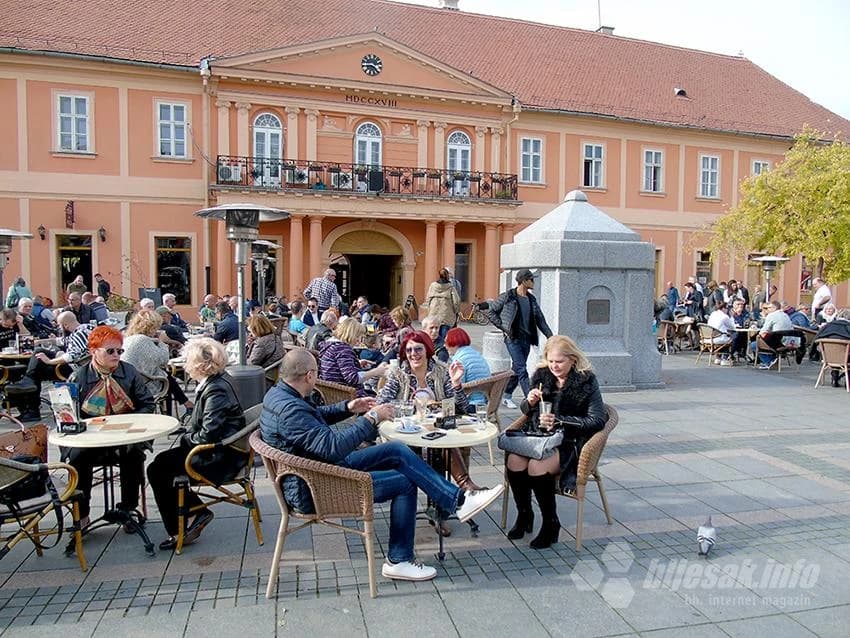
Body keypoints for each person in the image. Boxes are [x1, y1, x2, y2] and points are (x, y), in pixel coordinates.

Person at [260, 348, 503, 581]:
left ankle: (458, 501)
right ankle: (400, 560)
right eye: (318, 373)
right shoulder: (291, 409)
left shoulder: (280, 396)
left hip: (317, 470)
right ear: (310, 375)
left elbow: (314, 417)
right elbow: (331, 446)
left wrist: (347, 407)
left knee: (396, 450)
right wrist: (372, 418)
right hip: (316, 487)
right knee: (405, 483)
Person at [505, 335, 606, 549]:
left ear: (572, 359)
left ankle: (551, 523)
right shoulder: (542, 376)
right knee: (514, 459)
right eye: (551, 361)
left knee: (536, 466)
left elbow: (598, 420)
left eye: (559, 362)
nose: (554, 366)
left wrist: (561, 421)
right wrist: (529, 402)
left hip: (570, 441)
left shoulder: (586, 381)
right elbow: (527, 412)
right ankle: (525, 514)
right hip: (539, 437)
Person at [376, 329, 485, 522]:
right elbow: (381, 402)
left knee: (442, 446)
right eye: (409, 350)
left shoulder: (442, 371)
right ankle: (464, 489)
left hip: (436, 432)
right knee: (441, 449)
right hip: (407, 436)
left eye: (418, 349)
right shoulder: (398, 374)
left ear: (427, 350)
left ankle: (443, 510)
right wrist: (408, 408)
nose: (413, 354)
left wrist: (457, 383)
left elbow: (463, 407)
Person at [147, 338, 245, 550]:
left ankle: (181, 527)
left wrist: (185, 437)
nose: (185, 367)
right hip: (221, 450)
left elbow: (207, 434)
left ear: (199, 365)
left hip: (219, 457)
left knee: (157, 470)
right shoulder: (218, 380)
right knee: (160, 463)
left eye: (187, 362)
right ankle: (195, 511)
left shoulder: (215, 389)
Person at [65, 326, 155, 527]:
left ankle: (128, 508)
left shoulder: (129, 371)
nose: (116, 355)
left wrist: (128, 422)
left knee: (133, 453)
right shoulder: (79, 378)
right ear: (93, 351)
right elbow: (69, 416)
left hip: (126, 436)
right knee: (77, 457)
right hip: (93, 441)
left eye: (119, 351)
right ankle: (82, 513)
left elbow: (147, 403)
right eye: (110, 351)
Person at [8, 310, 95, 420]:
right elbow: (62, 341)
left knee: (37, 368)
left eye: (59, 325)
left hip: (76, 370)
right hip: (81, 367)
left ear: (65, 325)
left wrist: (49, 361)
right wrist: (40, 341)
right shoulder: (85, 328)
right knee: (39, 355)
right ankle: (28, 384)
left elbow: (71, 356)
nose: (59, 328)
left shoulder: (79, 334)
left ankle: (32, 409)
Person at [487, 269, 553, 409]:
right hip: (513, 338)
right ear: (524, 281)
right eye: (531, 279)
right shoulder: (508, 297)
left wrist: (551, 337)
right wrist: (503, 328)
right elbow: (491, 311)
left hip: (526, 339)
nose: (533, 282)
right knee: (522, 369)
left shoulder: (531, 299)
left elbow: (540, 320)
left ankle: (506, 395)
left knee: (517, 368)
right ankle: (531, 401)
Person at [121, 309, 193, 416]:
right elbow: (163, 360)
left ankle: (186, 403)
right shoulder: (142, 340)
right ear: (152, 327)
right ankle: (169, 416)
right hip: (142, 385)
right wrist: (162, 341)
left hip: (129, 381)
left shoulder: (129, 339)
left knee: (165, 375)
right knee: (166, 379)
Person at [318, 316, 387, 396]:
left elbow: (338, 367)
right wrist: (376, 371)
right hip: (345, 395)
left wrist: (356, 363)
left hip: (333, 392)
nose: (359, 340)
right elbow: (353, 378)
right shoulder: (342, 349)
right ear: (350, 334)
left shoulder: (331, 346)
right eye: (358, 336)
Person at [444, 327, 491, 405]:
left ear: (453, 342)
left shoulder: (458, 360)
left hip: (471, 403)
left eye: (446, 342)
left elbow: (457, 386)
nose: (444, 346)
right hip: (484, 399)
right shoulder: (475, 353)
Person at [751, 300, 800, 368]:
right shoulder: (786, 315)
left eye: (768, 308)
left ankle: (769, 362)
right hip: (790, 342)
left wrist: (760, 334)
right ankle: (773, 360)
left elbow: (763, 330)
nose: (767, 310)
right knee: (767, 339)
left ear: (774, 308)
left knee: (754, 344)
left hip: (778, 343)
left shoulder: (771, 315)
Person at [813, 309, 850, 387]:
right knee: (844, 352)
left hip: (828, 358)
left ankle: (834, 378)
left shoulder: (827, 326)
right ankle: (848, 382)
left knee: (834, 352)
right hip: (845, 358)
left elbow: (816, 340)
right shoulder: (848, 328)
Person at [423, 268, 460, 342]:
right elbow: (456, 301)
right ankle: (442, 349)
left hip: (434, 313)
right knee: (444, 335)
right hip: (446, 314)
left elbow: (428, 299)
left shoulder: (433, 285)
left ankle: (432, 348)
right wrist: (456, 311)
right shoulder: (451, 287)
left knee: (432, 333)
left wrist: (429, 309)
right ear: (447, 276)